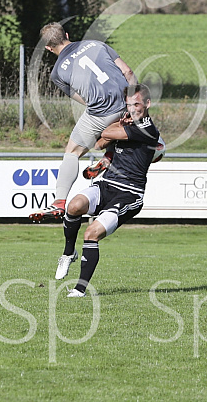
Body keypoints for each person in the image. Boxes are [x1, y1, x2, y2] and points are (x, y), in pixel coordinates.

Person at [54, 84, 160, 297]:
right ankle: (68, 253)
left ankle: (80, 289)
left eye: (137, 104)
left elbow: (103, 132)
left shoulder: (148, 129)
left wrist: (113, 129)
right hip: (106, 184)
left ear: (148, 104)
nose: (132, 109)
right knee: (74, 206)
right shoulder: (127, 123)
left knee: (91, 233)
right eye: (129, 105)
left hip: (129, 193)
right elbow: (99, 144)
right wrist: (115, 131)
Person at [29, 22, 137, 222]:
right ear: (67, 35)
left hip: (101, 112)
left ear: (47, 48)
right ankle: (112, 152)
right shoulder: (97, 45)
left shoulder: (57, 73)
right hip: (126, 102)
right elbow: (128, 72)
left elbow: (84, 100)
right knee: (131, 128)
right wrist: (134, 104)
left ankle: (59, 201)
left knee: (72, 152)